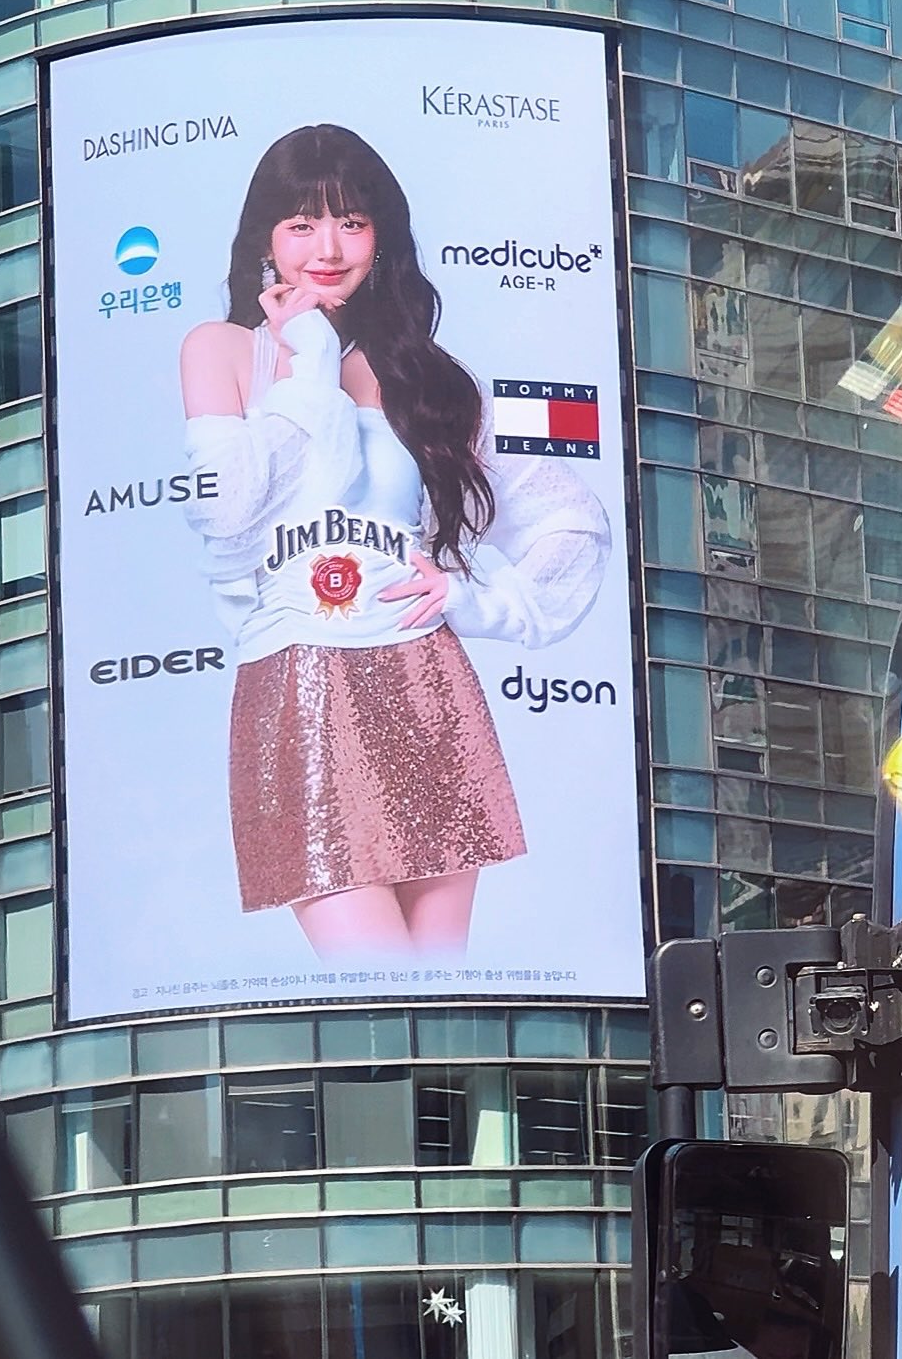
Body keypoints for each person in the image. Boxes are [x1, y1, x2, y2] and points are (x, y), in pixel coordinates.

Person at [179, 124, 610, 957]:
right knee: (370, 979)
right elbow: (228, 510)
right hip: (297, 680)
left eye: (353, 222)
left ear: (384, 237)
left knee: (441, 990)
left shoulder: (430, 379)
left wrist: (475, 600)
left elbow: (565, 516)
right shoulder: (222, 350)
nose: (328, 248)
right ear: (264, 237)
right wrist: (308, 363)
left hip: (425, 682)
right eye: (302, 224)